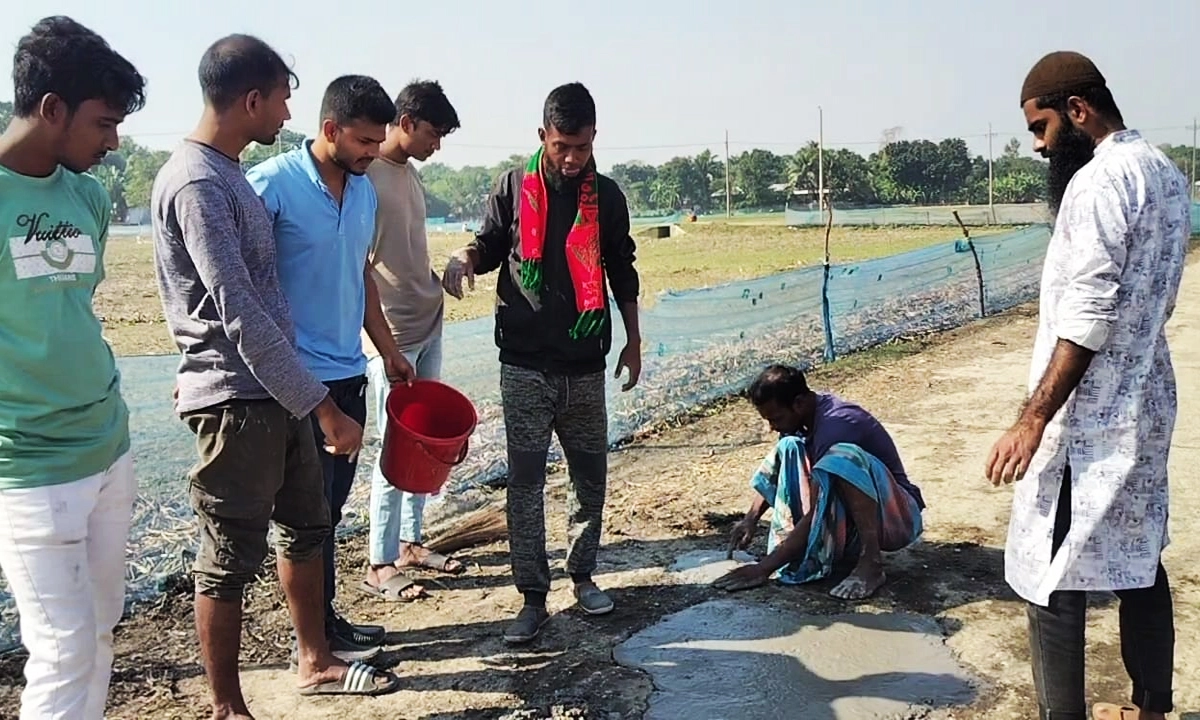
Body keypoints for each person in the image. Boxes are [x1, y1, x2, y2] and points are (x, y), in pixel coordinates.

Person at [152, 36, 398, 716]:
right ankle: (228, 706)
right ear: (252, 99)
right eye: (283, 96)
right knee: (229, 554)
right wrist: (321, 407)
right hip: (240, 399)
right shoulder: (202, 182)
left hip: (279, 390)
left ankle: (316, 660)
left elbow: (268, 294)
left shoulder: (227, 173)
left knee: (307, 525)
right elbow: (238, 311)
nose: (287, 110)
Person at [986, 51, 1188, 720]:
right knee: (1138, 560)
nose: (1042, 148)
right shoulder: (1166, 173)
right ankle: (1152, 708)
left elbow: (1089, 314)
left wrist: (1034, 416)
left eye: (1041, 129)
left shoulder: (1100, 183)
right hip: (1146, 400)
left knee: (1055, 574)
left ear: (1078, 111)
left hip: (1091, 420)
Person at [442, 82, 642, 644]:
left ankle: (583, 575)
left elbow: (621, 269)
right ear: (542, 137)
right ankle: (532, 597)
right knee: (525, 485)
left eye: (580, 147)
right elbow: (488, 241)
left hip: (585, 364)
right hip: (524, 363)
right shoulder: (512, 186)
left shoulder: (608, 197)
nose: (571, 158)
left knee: (589, 480)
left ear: (594, 138)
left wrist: (633, 340)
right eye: (560, 147)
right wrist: (465, 259)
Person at [0, 17, 144, 720]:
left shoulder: (85, 197)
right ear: (52, 109)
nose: (114, 142)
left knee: (100, 633)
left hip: (106, 447)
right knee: (61, 652)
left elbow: (72, 311)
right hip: (29, 469)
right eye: (104, 123)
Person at [245, 74, 402, 660]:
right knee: (302, 520)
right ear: (330, 130)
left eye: (378, 139)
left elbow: (362, 275)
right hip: (295, 381)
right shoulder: (272, 186)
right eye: (364, 140)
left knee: (329, 512)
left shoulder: (363, 191)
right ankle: (308, 643)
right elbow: (236, 282)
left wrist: (386, 348)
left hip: (349, 373)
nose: (372, 151)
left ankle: (325, 623)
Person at [361, 80, 465, 602]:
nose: (436, 145)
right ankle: (379, 560)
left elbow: (406, 250)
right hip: (392, 338)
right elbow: (360, 268)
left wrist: (443, 272)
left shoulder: (410, 178)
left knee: (426, 444)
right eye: (433, 132)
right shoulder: (365, 176)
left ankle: (411, 542)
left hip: (429, 322)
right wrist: (384, 346)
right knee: (393, 447)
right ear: (405, 122)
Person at [712, 365, 925, 599]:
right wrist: (750, 519)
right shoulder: (801, 418)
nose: (771, 427)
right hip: (852, 520)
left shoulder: (836, 426)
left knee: (843, 457)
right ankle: (806, 548)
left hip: (897, 518)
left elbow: (815, 513)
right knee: (788, 446)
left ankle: (871, 563)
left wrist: (764, 568)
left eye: (776, 418)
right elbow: (787, 460)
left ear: (799, 403)